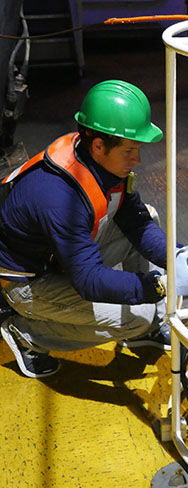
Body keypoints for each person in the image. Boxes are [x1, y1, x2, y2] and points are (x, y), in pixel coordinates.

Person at [0, 80, 172, 379]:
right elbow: (89, 281)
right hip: (29, 283)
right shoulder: (58, 196)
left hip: (60, 258)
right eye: (130, 150)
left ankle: (148, 326)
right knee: (140, 315)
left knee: (152, 217)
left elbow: (137, 222)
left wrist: (177, 258)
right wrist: (155, 287)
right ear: (98, 145)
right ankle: (26, 332)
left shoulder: (99, 159)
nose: (138, 159)